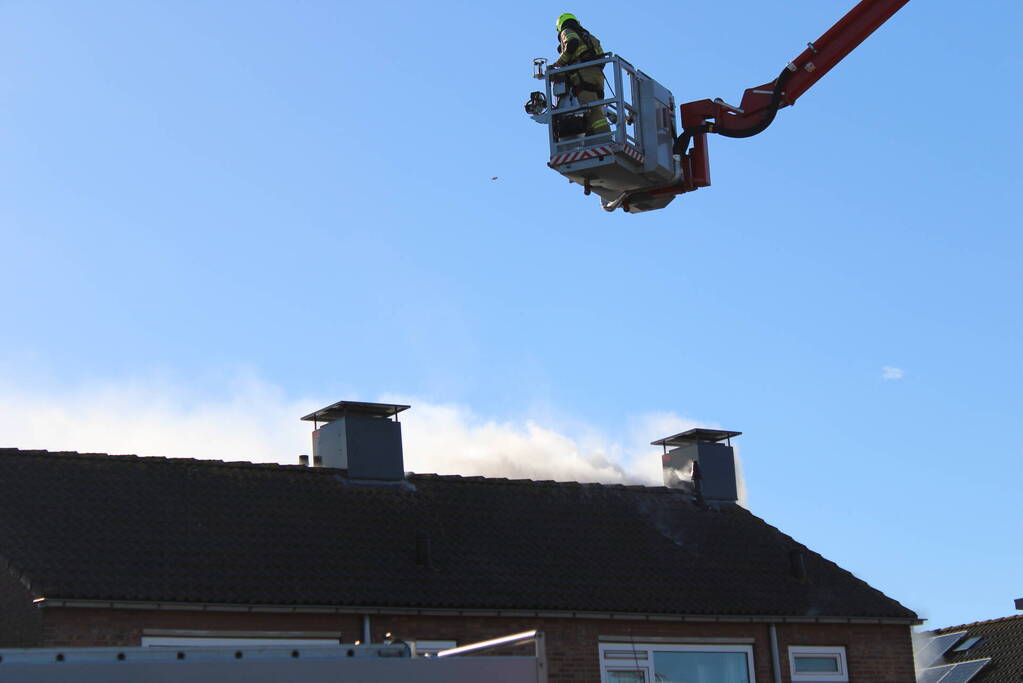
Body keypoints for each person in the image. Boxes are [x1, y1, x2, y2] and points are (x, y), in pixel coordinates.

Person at [552, 13, 610, 137]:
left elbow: (572, 43)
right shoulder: (590, 37)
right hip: (598, 76)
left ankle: (605, 138)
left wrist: (560, 63)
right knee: (595, 108)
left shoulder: (566, 31)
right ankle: (592, 139)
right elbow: (601, 56)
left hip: (583, 76)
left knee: (592, 111)